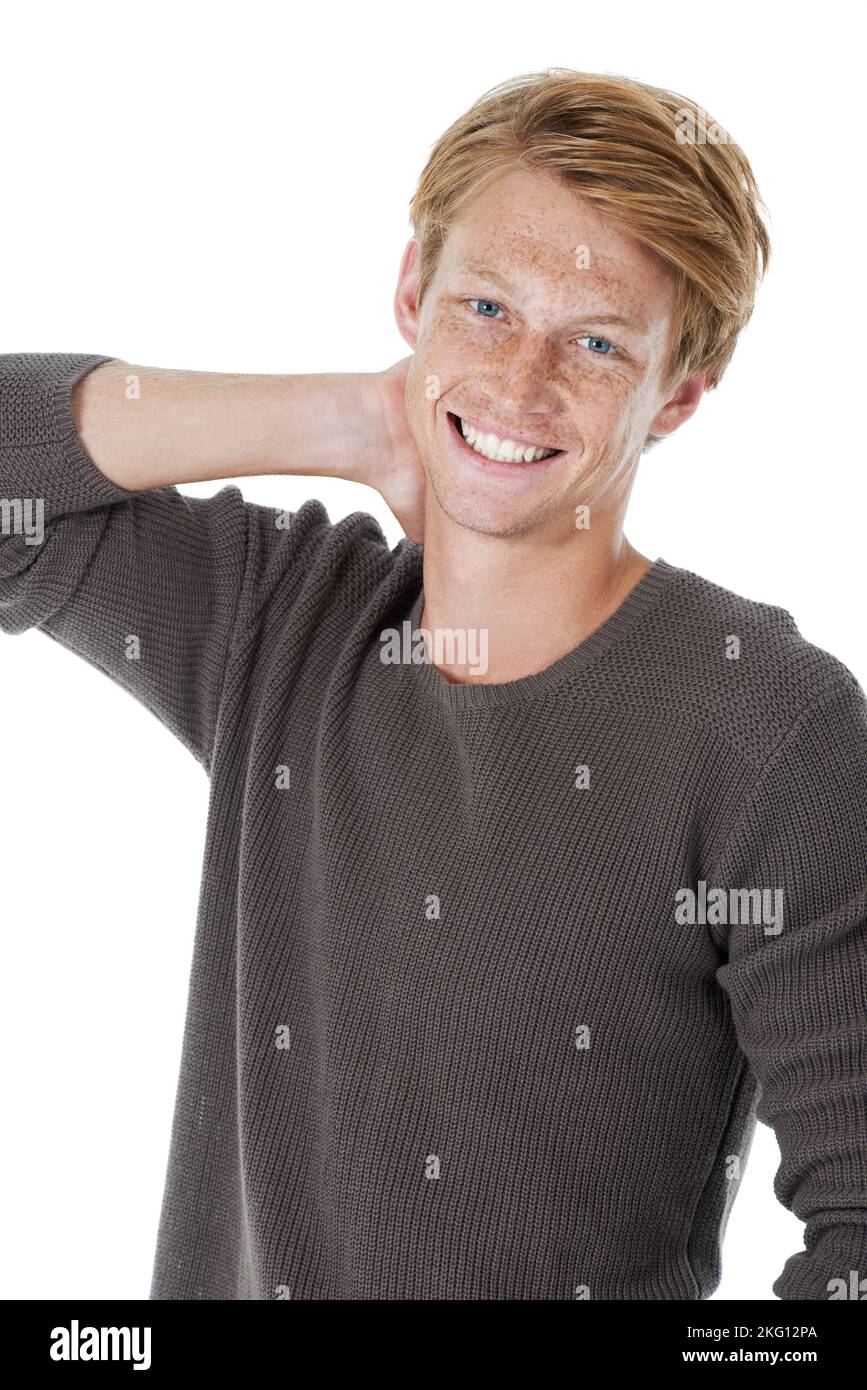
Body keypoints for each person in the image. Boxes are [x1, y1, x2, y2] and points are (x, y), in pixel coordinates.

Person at [2, 68, 865, 1301]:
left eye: (599, 342)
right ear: (411, 291)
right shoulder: (275, 619)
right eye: (485, 307)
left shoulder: (768, 727)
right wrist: (348, 418)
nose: (521, 384)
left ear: (677, 391)